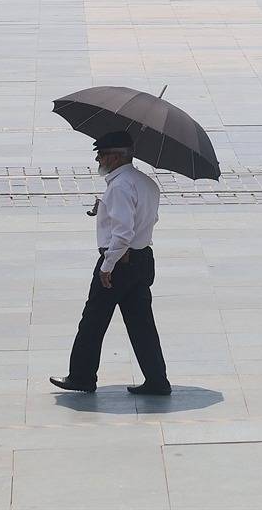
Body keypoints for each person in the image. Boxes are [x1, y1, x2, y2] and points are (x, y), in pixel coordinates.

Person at [50, 131, 172, 395]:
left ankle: (82, 376)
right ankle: (157, 380)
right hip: (143, 260)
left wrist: (107, 266)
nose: (99, 160)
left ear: (116, 156)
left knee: (93, 320)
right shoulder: (145, 183)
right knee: (142, 324)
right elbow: (149, 219)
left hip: (119, 263)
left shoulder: (119, 186)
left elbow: (123, 233)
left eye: (102, 155)